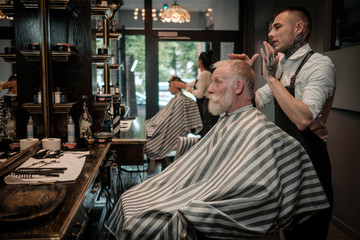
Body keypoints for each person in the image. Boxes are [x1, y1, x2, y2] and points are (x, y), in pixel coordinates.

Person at [104, 60, 330, 240]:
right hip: (201, 190)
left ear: (238, 87)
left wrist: (198, 202)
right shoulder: (230, 120)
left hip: (216, 201)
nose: (209, 89)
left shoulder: (259, 130)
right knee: (131, 198)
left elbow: (259, 190)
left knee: (144, 220)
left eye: (217, 82)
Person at [230, 6, 335, 240]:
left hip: (312, 165)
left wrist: (269, 77)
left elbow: (304, 119)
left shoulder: (320, 64)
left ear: (298, 29)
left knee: (308, 233)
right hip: (286, 164)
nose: (270, 33)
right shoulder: (282, 68)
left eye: (277, 27)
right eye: (270, 28)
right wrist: (246, 79)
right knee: (287, 232)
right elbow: (255, 102)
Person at [145, 76, 203, 172]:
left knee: (150, 134)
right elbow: (164, 118)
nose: (168, 89)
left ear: (176, 86)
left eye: (170, 86)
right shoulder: (177, 99)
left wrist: (156, 126)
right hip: (163, 127)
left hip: (172, 133)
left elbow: (174, 123)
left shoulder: (182, 101)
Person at [173, 51, 219, 137]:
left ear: (200, 62)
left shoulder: (205, 74)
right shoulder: (205, 74)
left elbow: (199, 94)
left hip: (206, 107)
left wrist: (186, 88)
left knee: (205, 132)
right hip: (205, 106)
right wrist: (179, 82)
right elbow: (191, 84)